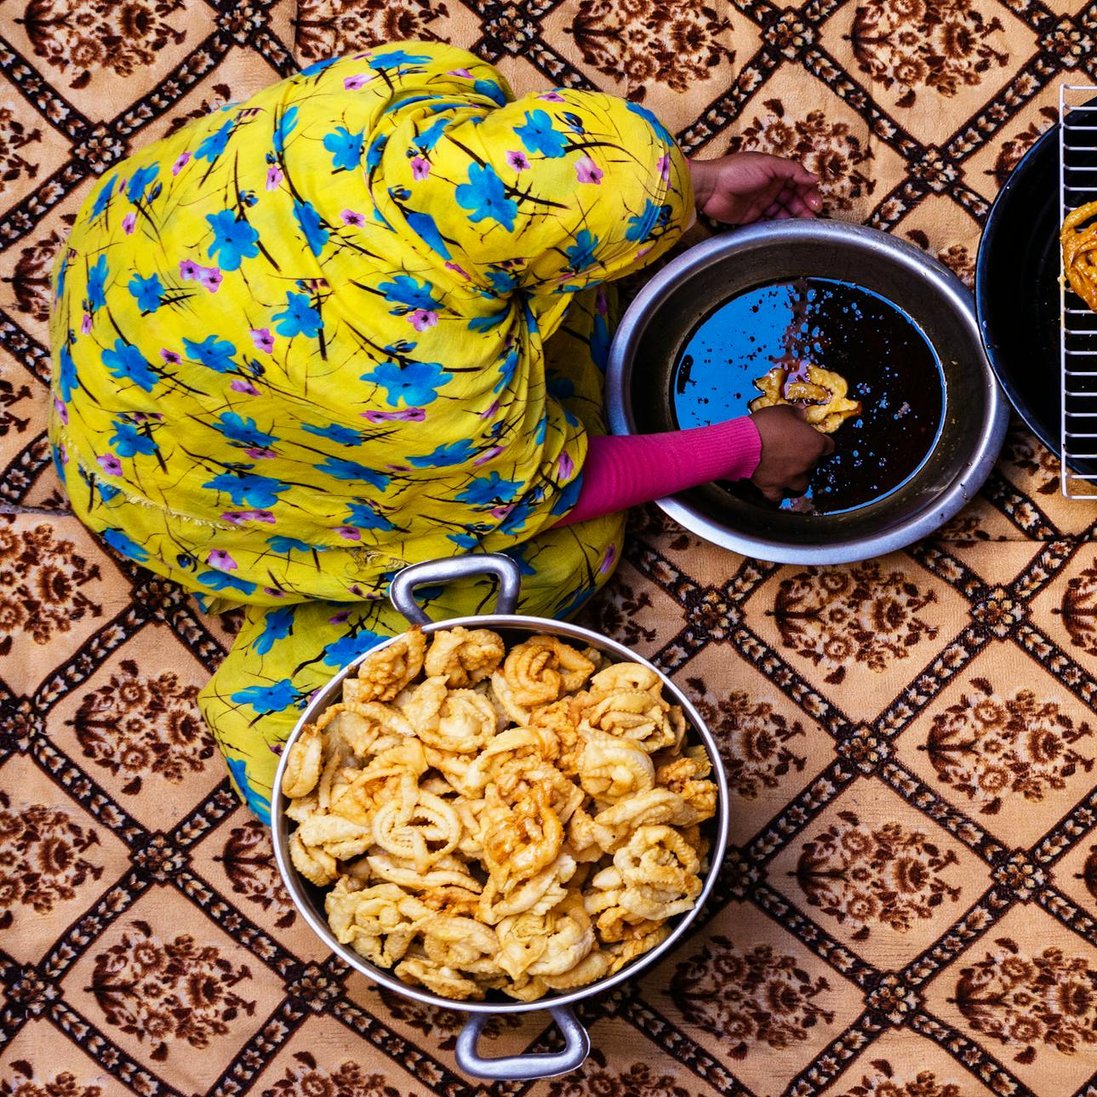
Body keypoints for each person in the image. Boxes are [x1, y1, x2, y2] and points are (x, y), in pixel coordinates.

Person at [47, 40, 834, 820]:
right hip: (174, 483)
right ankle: (275, 700)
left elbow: (553, 169)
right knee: (567, 554)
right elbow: (556, 491)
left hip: (136, 307)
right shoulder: (428, 390)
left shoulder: (403, 88)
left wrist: (686, 184)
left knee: (566, 307)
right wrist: (748, 446)